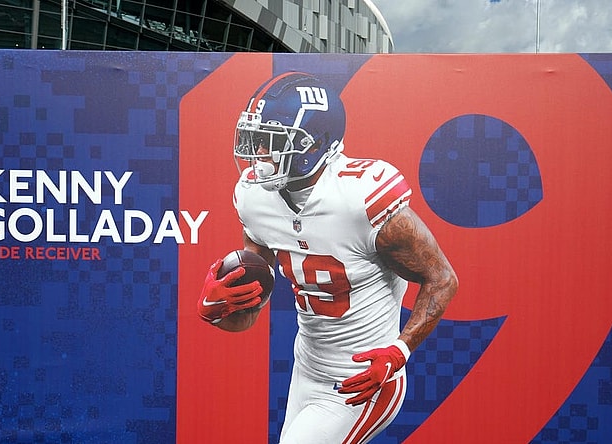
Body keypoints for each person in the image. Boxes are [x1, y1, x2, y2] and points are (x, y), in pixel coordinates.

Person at [196, 71, 458, 443]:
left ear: (313, 145)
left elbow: (443, 278)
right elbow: (247, 314)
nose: (259, 153)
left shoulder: (361, 199)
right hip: (307, 369)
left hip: (363, 379)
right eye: (256, 139)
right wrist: (217, 307)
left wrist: (400, 351)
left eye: (272, 141)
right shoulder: (255, 198)